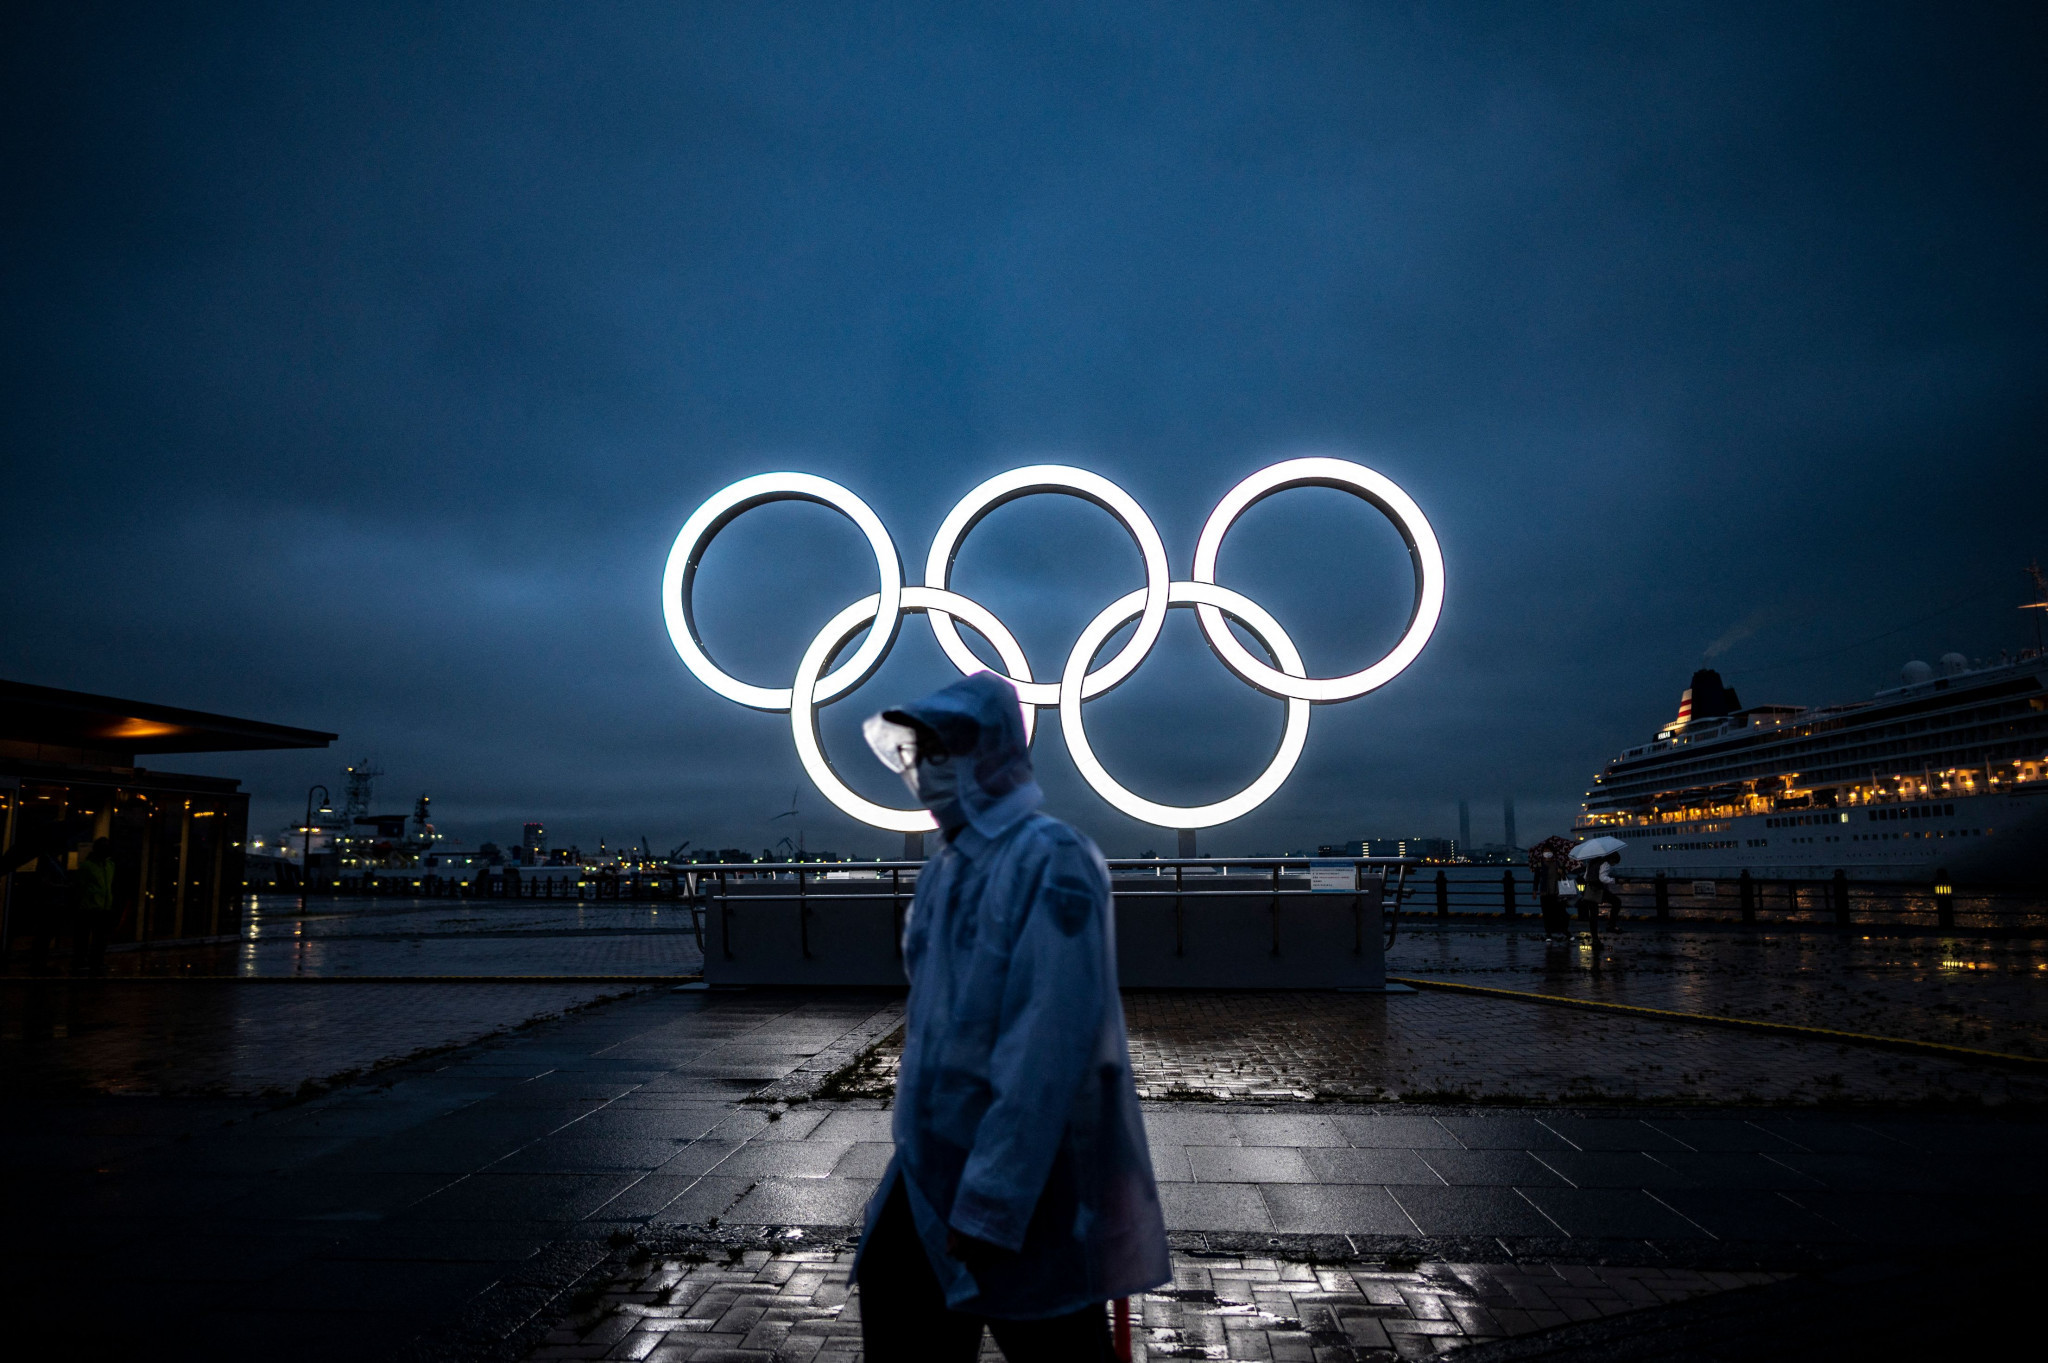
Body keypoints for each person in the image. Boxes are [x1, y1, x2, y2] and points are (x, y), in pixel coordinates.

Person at [851, 671, 1169, 1362]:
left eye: (940, 753)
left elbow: (1047, 1041)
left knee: (1052, 1338)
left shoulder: (1051, 859)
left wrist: (993, 1198)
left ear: (987, 752)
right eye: (918, 755)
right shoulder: (947, 868)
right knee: (904, 1307)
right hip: (931, 1167)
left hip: (1028, 1180)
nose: (923, 772)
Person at [72, 837, 116, 974]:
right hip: (89, 907)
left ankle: (96, 961)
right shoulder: (88, 866)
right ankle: (81, 961)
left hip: (103, 906)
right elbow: (80, 886)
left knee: (100, 938)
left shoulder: (109, 865)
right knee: (84, 937)